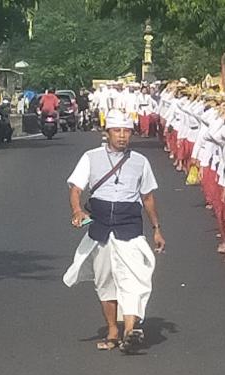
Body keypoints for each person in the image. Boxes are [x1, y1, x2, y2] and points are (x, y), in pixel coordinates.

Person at [63, 109, 166, 353]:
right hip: (100, 228)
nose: (122, 136)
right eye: (117, 131)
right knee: (105, 281)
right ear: (107, 132)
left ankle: (130, 331)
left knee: (134, 278)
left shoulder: (141, 162)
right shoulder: (90, 157)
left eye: (126, 132)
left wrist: (156, 229)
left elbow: (148, 197)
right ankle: (112, 330)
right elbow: (76, 188)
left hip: (129, 226)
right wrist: (77, 211)